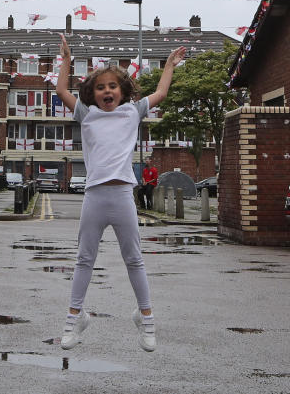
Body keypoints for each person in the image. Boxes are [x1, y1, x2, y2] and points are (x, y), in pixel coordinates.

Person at [55, 33, 186, 352]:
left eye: (113, 86)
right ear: (92, 94)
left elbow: (161, 92)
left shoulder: (133, 111)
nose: (107, 90)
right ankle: (74, 319)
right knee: (84, 259)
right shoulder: (87, 114)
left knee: (134, 260)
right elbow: (60, 90)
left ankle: (146, 318)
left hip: (123, 197)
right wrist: (67, 61)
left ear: (122, 90)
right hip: (95, 197)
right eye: (100, 87)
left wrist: (169, 65)